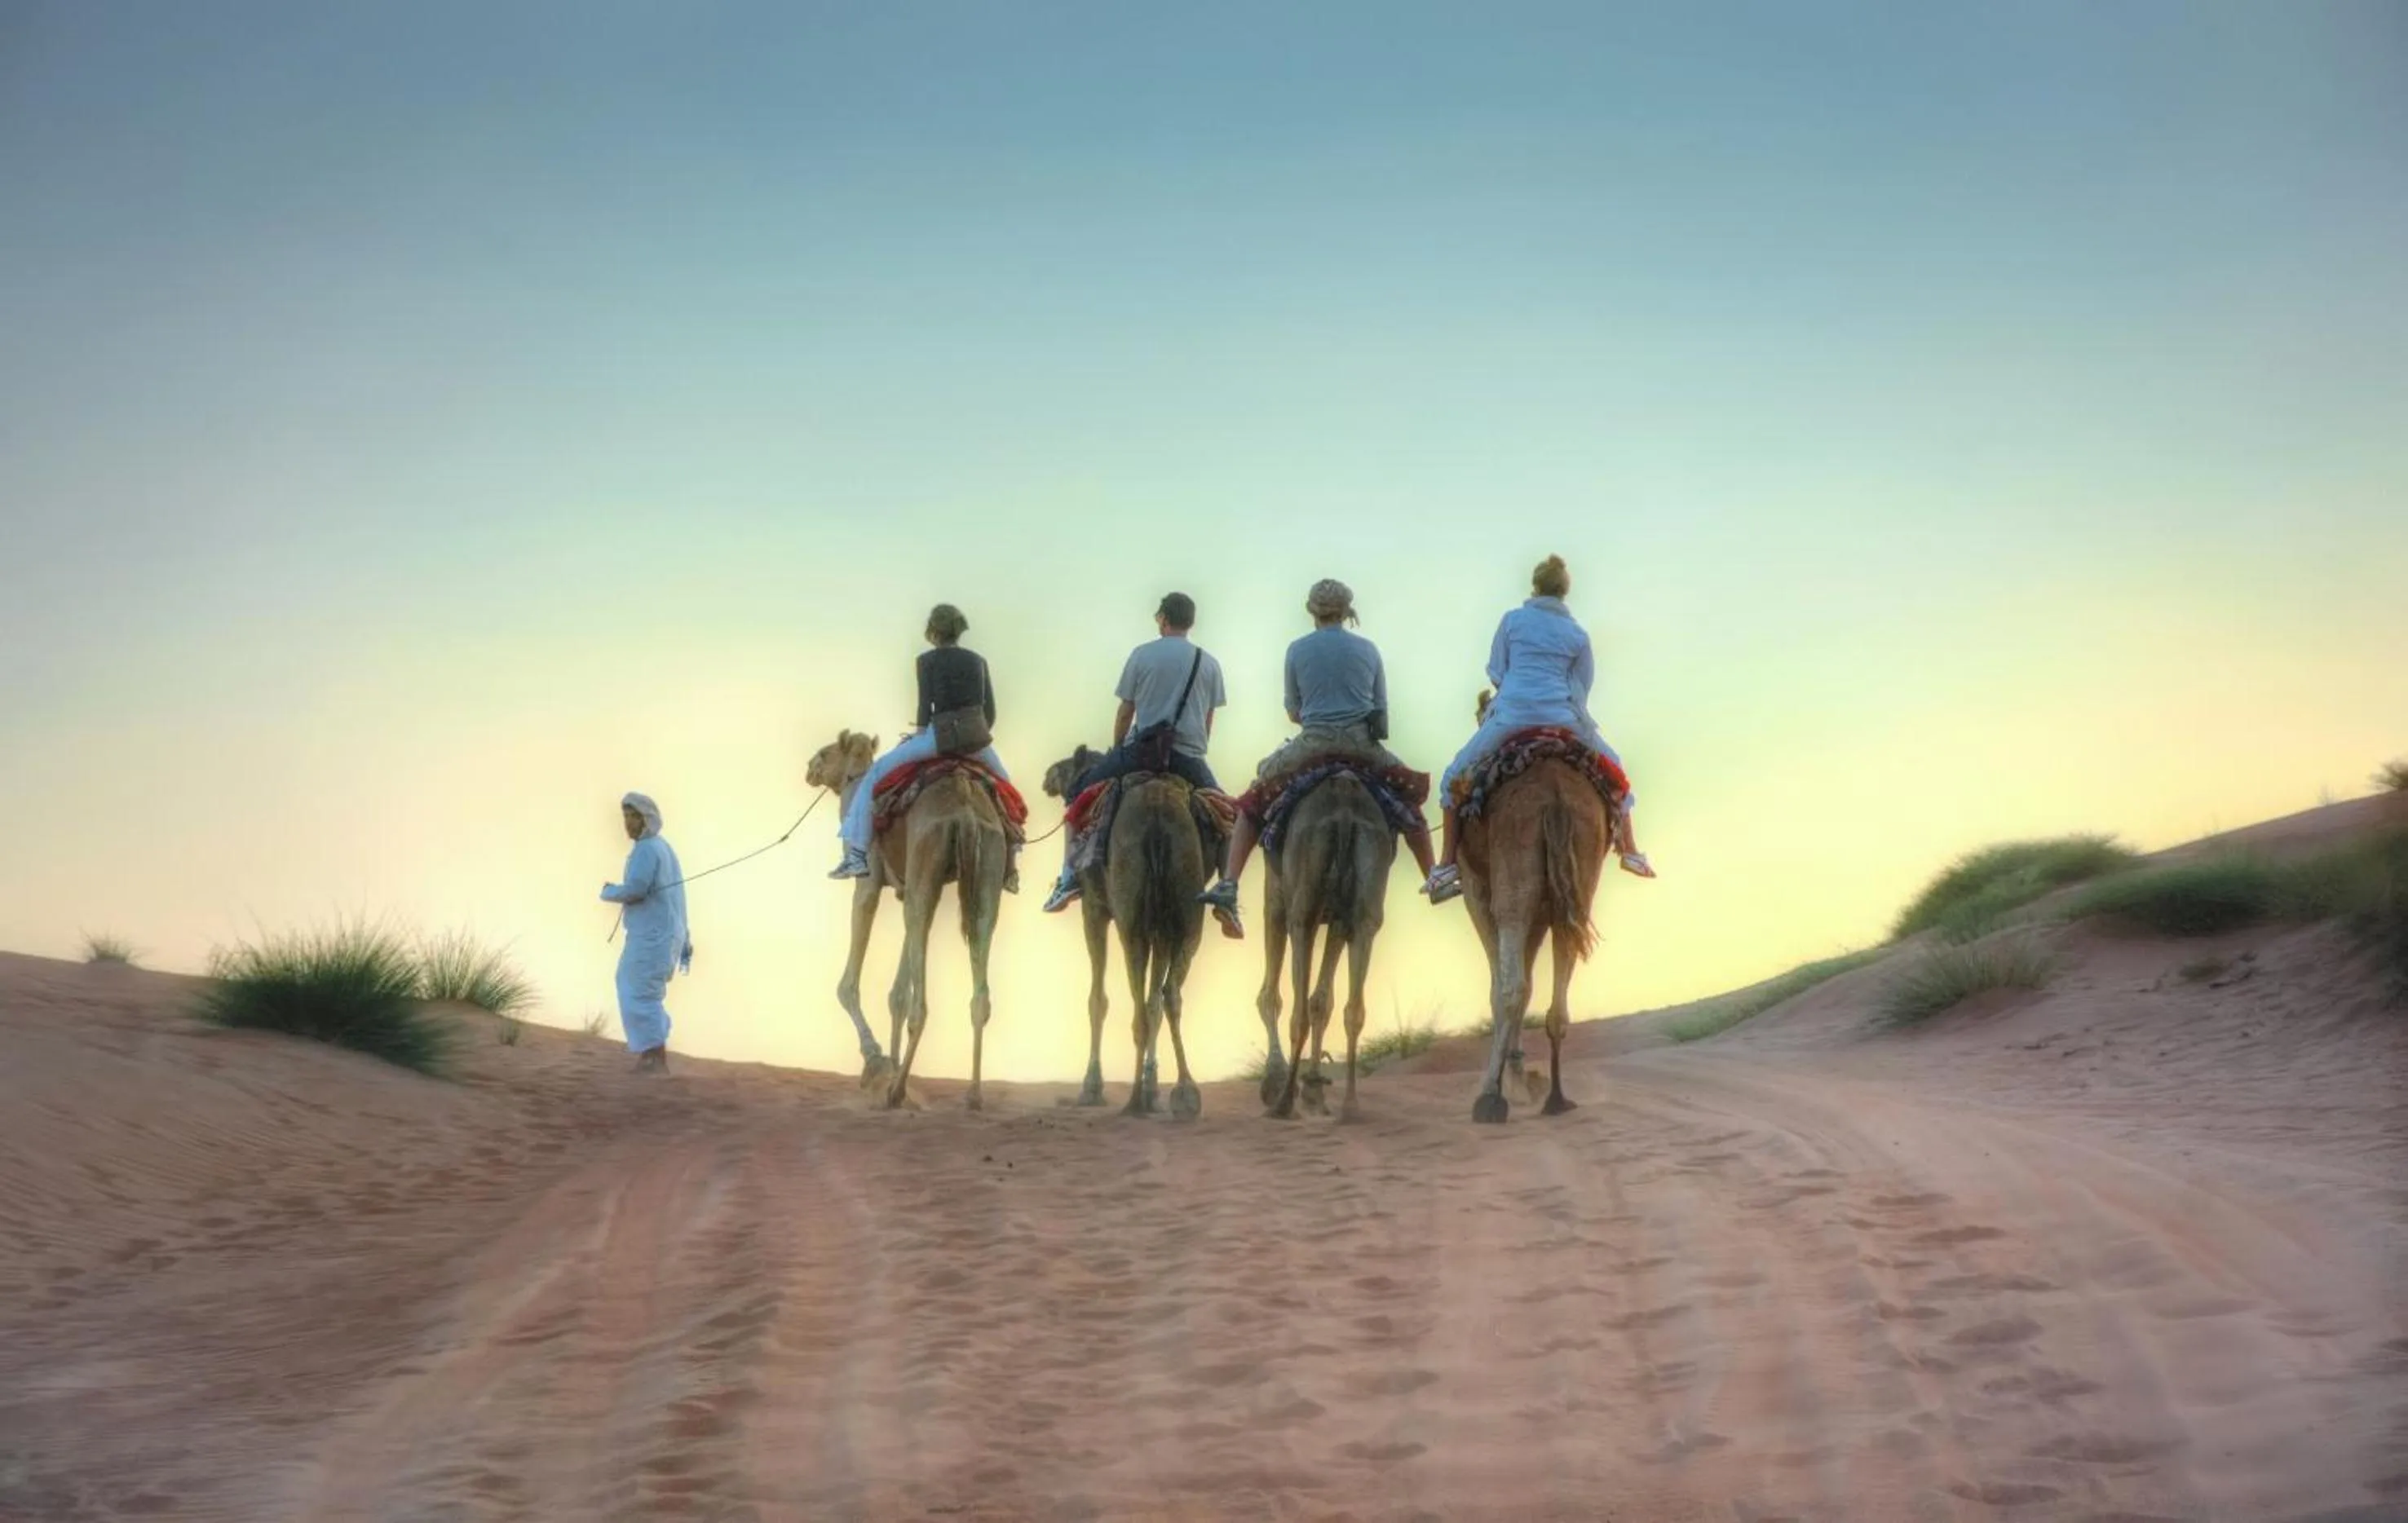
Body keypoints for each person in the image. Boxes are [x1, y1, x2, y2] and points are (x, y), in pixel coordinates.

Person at [1196, 578, 1439, 932]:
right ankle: (1433, 875)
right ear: (1346, 612)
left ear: (1313, 613)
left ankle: (1230, 883)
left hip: (1312, 745)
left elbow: (1294, 712)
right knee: (1410, 799)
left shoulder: (1297, 649)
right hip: (1361, 746)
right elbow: (1382, 711)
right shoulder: (1368, 649)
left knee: (1252, 802)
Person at [1424, 554, 1653, 906]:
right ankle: (1631, 851)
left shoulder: (1513, 620)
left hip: (1512, 715)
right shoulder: (1577, 634)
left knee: (1453, 779)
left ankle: (1446, 866)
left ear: (1535, 586)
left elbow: (1496, 671)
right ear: (1565, 591)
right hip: (1564, 717)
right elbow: (1582, 685)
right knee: (1617, 774)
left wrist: (1517, 691)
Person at [1041, 591, 1235, 933]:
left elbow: (1126, 710)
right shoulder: (1209, 663)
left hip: (1140, 752)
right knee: (1228, 819)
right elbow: (1207, 720)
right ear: (1190, 622)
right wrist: (1194, 749)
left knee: (1077, 798)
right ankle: (1227, 892)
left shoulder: (1142, 655)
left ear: (1163, 618)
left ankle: (1069, 878)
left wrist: (1118, 749)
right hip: (1189, 757)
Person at [830, 603, 1017, 890]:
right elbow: (989, 712)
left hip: (937, 739)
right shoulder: (978, 660)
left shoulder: (926, 660)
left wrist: (920, 737)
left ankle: (856, 854)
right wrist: (974, 739)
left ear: (933, 631)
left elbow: (924, 708)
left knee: (876, 774)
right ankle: (1010, 862)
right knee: (1006, 788)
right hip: (976, 740)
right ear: (958, 630)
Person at [601, 791, 691, 1073]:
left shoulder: (647, 849)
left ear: (646, 819)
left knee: (636, 990)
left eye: (633, 816)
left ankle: (654, 1058)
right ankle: (653, 1054)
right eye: (626, 816)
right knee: (639, 988)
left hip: (652, 936)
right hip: (662, 935)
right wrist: (685, 939)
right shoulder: (663, 848)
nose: (628, 823)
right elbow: (680, 898)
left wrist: (609, 892)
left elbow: (637, 889)